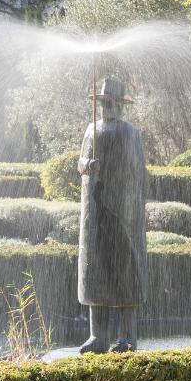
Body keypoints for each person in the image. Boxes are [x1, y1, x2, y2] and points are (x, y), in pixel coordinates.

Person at [77, 78, 147, 353]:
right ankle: (98, 337)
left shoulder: (130, 133)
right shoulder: (91, 130)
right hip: (95, 212)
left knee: (125, 273)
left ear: (121, 106)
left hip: (123, 212)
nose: (108, 107)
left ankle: (127, 338)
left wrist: (127, 198)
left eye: (113, 103)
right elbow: (80, 162)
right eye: (104, 103)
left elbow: (139, 171)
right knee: (97, 272)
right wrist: (88, 165)